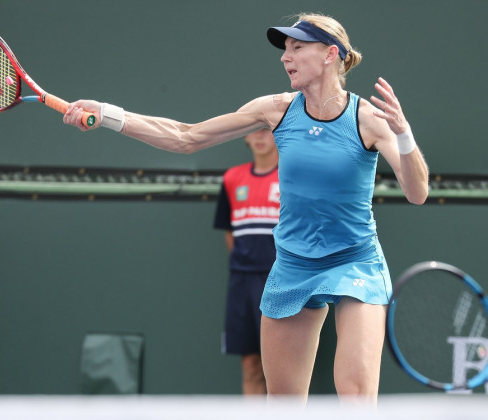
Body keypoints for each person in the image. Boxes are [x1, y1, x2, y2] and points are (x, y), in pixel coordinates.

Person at [63, 13, 429, 404]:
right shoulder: (274, 109)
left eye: (297, 48)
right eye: (285, 49)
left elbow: (417, 190)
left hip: (354, 261)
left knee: (355, 397)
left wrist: (404, 135)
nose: (285, 57)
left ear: (330, 54)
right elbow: (187, 137)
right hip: (294, 264)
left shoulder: (370, 119)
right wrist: (109, 114)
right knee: (283, 404)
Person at [213, 128, 279, 395]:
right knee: (251, 364)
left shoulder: (292, 177)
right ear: (246, 138)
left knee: (282, 369)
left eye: (267, 130)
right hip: (242, 281)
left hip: (283, 282)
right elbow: (230, 232)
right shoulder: (232, 178)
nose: (261, 137)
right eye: (254, 132)